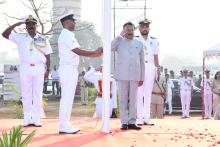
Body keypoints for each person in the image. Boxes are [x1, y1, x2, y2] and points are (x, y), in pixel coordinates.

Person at [2, 15, 52, 127]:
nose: (31, 26)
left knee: (37, 94)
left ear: (36, 26)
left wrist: (48, 69)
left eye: (32, 24)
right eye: (28, 24)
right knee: (26, 94)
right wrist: (16, 24)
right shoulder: (21, 38)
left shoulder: (41, 39)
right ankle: (26, 118)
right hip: (25, 67)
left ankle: (36, 118)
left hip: (39, 68)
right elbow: (4, 34)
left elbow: (48, 55)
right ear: (25, 27)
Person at [58, 12, 102, 134]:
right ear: (66, 22)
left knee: (68, 98)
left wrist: (94, 53)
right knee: (66, 98)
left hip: (70, 69)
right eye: (73, 21)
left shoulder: (68, 34)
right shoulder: (66, 35)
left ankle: (65, 124)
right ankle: (63, 125)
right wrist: (94, 53)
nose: (75, 23)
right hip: (67, 69)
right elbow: (77, 51)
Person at [111, 22, 145, 130]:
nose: (129, 32)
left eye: (131, 30)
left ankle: (132, 122)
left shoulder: (139, 43)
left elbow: (142, 62)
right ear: (123, 31)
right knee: (123, 99)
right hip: (122, 75)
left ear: (134, 31)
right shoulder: (119, 42)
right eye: (127, 30)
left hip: (135, 75)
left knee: (134, 99)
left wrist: (142, 77)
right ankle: (124, 122)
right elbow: (110, 47)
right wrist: (120, 35)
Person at [136, 18, 160, 125]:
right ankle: (139, 118)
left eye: (146, 27)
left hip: (150, 67)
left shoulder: (154, 41)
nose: (145, 29)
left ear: (149, 28)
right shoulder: (135, 40)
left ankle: (147, 117)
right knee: (139, 93)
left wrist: (157, 68)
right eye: (142, 27)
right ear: (139, 28)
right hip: (139, 66)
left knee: (148, 93)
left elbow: (155, 56)